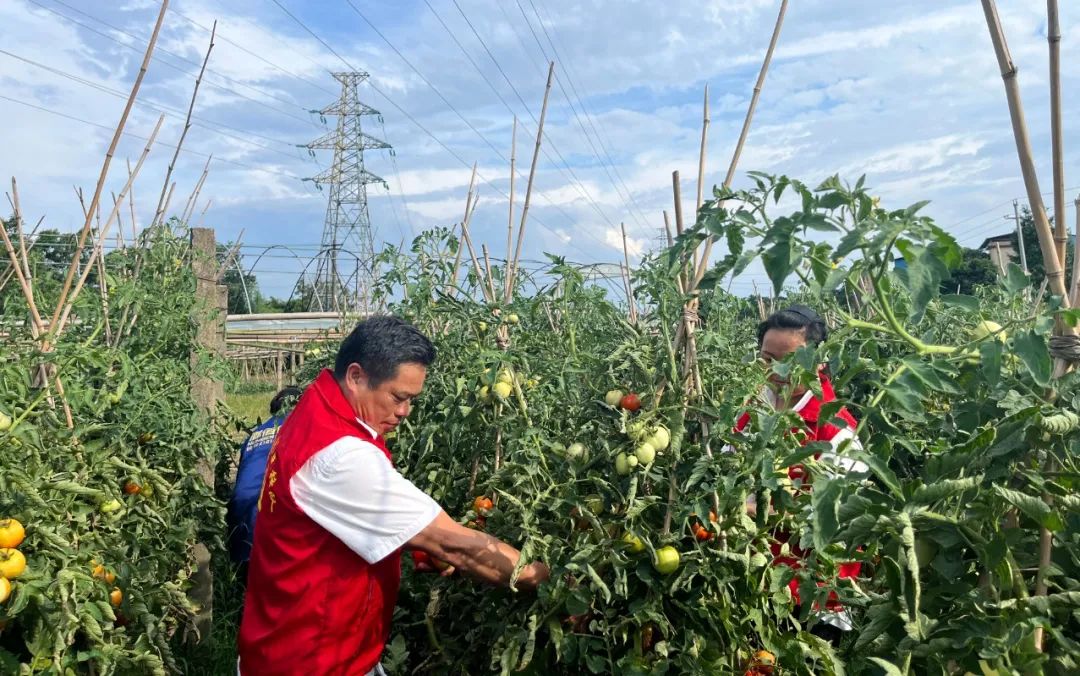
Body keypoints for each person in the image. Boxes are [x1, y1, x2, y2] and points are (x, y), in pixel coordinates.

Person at [237, 316, 550, 676]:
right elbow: (456, 546)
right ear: (355, 376)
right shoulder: (341, 456)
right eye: (399, 397)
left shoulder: (319, 406)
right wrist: (538, 576)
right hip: (314, 662)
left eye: (411, 399)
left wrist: (408, 540)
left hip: (286, 644)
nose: (405, 412)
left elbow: (334, 515)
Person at [730, 305, 867, 639]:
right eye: (766, 359)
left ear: (819, 363)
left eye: (790, 361)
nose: (776, 371)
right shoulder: (753, 411)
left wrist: (744, 510)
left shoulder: (837, 431)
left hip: (813, 599)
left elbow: (831, 519)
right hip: (756, 587)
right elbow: (725, 470)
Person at [226, 386, 302, 584]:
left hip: (240, 513)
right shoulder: (297, 429)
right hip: (270, 514)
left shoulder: (254, 435)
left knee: (249, 590)